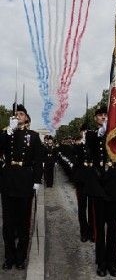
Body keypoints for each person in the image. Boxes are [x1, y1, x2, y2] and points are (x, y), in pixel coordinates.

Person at [84, 105, 116, 278]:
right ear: (96, 118)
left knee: (113, 229)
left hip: (114, 184)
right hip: (99, 185)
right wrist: (103, 131)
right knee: (99, 228)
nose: (103, 117)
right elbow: (92, 144)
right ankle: (101, 263)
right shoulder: (92, 135)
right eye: (100, 115)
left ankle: (112, 263)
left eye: (105, 115)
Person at [0, 104, 43, 270]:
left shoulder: (33, 136)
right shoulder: (8, 134)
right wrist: (7, 132)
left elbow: (38, 160)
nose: (18, 116)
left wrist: (37, 180)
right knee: (8, 222)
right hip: (9, 179)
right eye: (16, 114)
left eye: (21, 114)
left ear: (27, 118)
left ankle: (21, 257)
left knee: (24, 223)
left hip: (25, 178)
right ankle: (9, 257)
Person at [72, 125, 94, 243]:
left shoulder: (93, 143)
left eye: (87, 131)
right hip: (81, 178)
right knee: (82, 207)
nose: (85, 133)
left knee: (92, 207)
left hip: (92, 177)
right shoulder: (78, 145)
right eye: (83, 131)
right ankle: (83, 232)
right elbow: (75, 153)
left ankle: (91, 231)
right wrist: (81, 142)